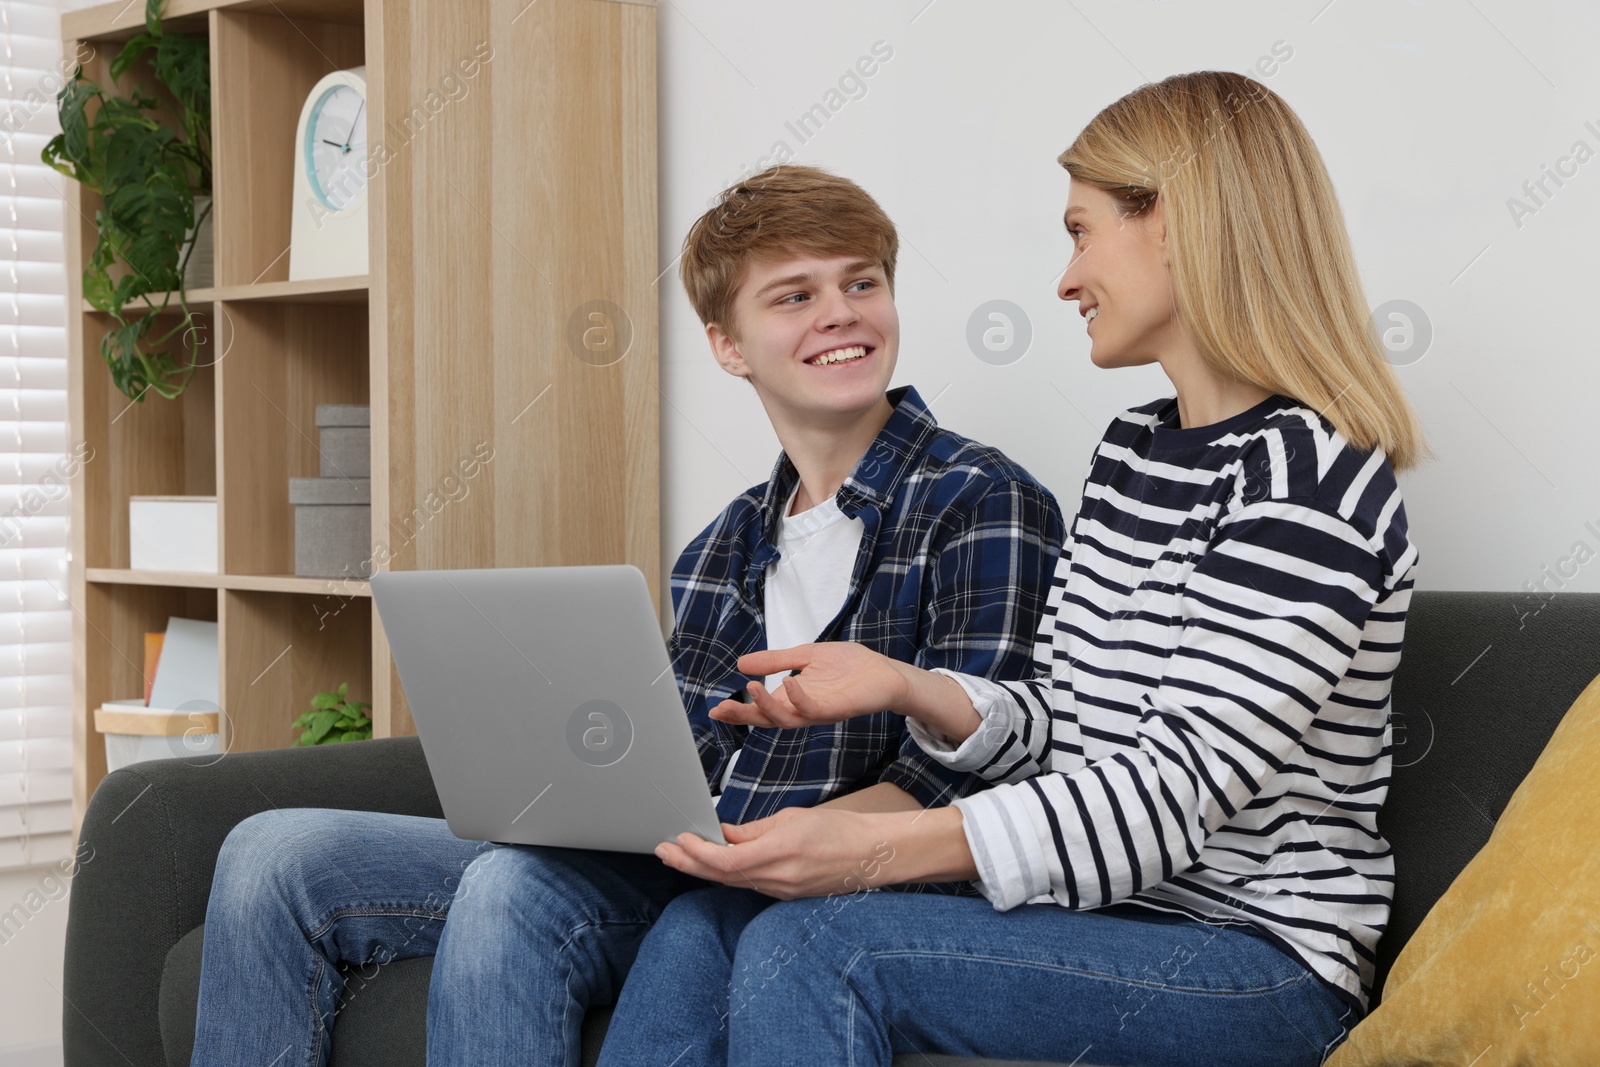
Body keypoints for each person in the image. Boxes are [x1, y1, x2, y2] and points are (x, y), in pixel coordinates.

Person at [186, 164, 1066, 1066]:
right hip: (696, 850)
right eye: (794, 295)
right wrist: (587, 779)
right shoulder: (722, 547)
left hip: (837, 876)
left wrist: (782, 842)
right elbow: (685, 757)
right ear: (729, 346)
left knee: (509, 888)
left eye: (861, 283)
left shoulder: (981, 499)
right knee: (272, 851)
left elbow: (973, 776)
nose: (839, 312)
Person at [651, 70, 1429, 1067]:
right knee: (699, 927)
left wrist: (873, 849)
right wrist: (909, 687)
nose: (1066, 280)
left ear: (1179, 223)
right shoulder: (1132, 454)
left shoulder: (1308, 481)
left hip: (1257, 959)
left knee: (816, 942)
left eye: (1081, 230)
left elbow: (1165, 796)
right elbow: (1066, 729)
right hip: (1105, 916)